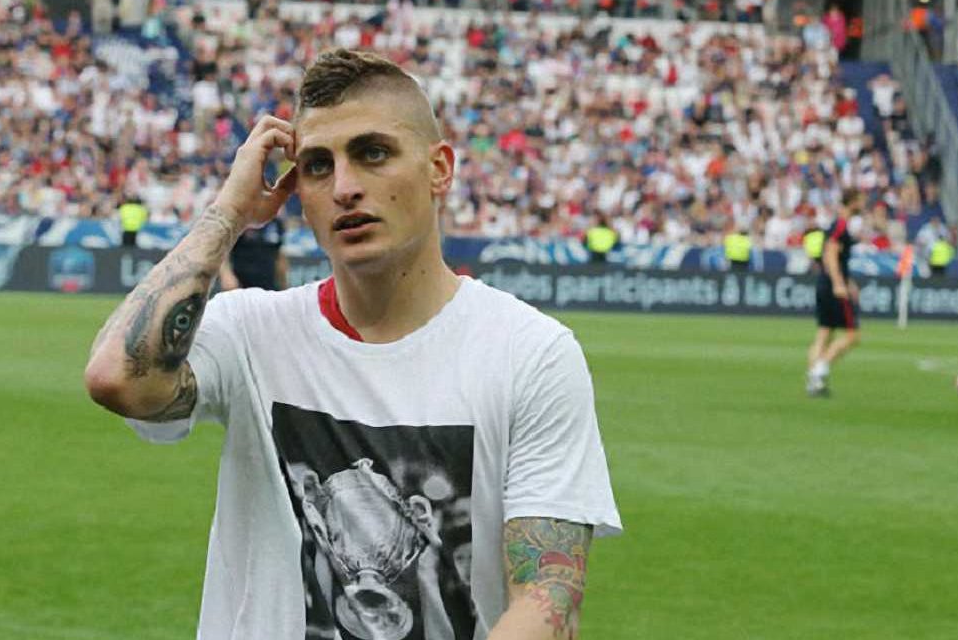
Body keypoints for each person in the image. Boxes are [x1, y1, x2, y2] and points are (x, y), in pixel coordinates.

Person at [84, 49, 621, 639]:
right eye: (317, 166)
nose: (344, 187)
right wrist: (228, 213)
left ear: (439, 169)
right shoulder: (249, 333)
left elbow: (548, 602)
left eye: (373, 153)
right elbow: (118, 378)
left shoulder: (531, 353)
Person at [806, 190, 865, 397]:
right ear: (853, 202)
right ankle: (819, 370)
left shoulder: (837, 224)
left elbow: (833, 257)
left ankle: (814, 383)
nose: (863, 205)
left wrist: (849, 282)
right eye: (861, 201)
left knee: (824, 333)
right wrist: (839, 284)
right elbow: (830, 254)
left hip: (826, 282)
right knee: (852, 335)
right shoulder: (840, 225)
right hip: (833, 286)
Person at [219, 216, 288, 290]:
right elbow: (222, 250)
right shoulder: (238, 219)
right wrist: (226, 274)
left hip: (268, 285)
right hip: (240, 285)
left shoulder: (276, 223)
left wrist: (284, 284)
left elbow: (280, 256)